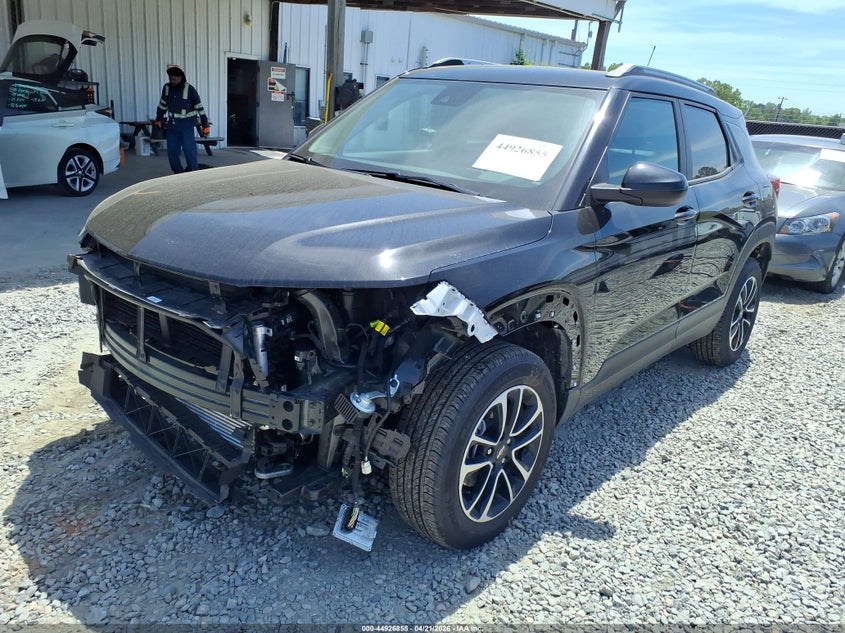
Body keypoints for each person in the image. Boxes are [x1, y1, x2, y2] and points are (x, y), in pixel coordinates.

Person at [154, 66, 210, 174]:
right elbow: (162, 105)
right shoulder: (167, 88)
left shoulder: (190, 89)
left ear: (180, 77)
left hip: (186, 125)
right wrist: (159, 118)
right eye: (170, 79)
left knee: (189, 150)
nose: (172, 81)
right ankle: (177, 172)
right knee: (172, 150)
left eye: (174, 79)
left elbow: (200, 107)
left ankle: (193, 172)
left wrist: (205, 124)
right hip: (172, 125)